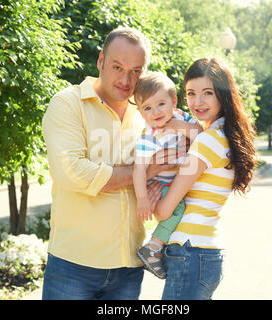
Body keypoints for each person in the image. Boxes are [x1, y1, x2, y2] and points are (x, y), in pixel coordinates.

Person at [41, 27, 180, 300]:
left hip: (129, 267)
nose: (126, 79)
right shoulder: (68, 104)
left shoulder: (147, 114)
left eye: (136, 71)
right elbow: (74, 174)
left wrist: (154, 186)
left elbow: (173, 162)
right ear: (101, 60)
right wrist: (146, 170)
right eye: (117, 66)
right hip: (73, 266)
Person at [154, 57, 256, 300]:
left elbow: (164, 211)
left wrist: (149, 189)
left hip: (190, 251)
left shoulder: (208, 141)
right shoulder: (224, 136)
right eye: (190, 93)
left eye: (207, 93)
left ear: (223, 94)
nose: (197, 102)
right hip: (204, 252)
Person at [132, 71, 203, 279]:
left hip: (178, 178)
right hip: (160, 183)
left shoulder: (182, 117)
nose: (155, 112)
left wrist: (181, 127)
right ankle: (153, 248)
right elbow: (138, 169)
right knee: (177, 209)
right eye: (147, 108)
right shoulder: (149, 136)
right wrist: (143, 198)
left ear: (174, 101)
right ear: (141, 113)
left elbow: (201, 134)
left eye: (161, 104)